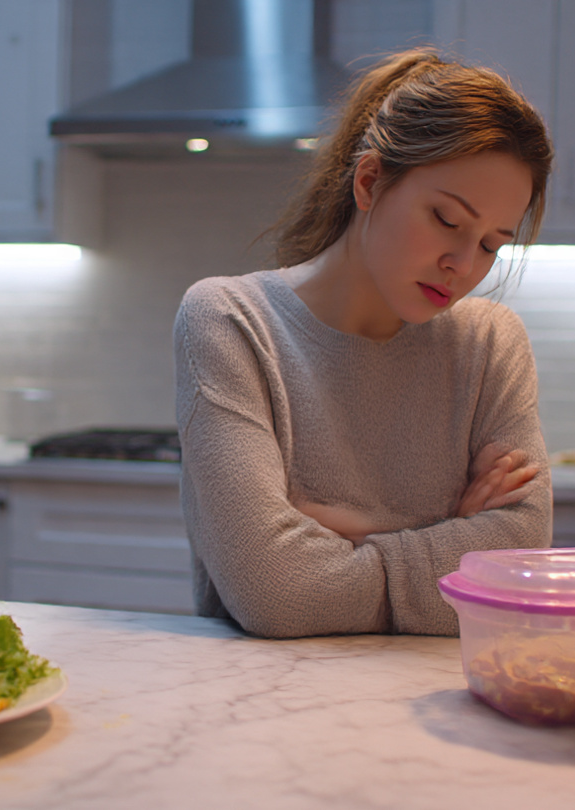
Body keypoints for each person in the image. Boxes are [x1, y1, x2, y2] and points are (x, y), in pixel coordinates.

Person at [172, 49, 554, 639]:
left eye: (490, 245)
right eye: (448, 221)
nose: (461, 264)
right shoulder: (231, 320)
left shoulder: (489, 344)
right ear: (370, 181)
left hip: (439, 705)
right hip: (266, 709)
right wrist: (451, 529)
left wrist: (351, 534)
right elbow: (276, 592)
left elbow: (519, 559)